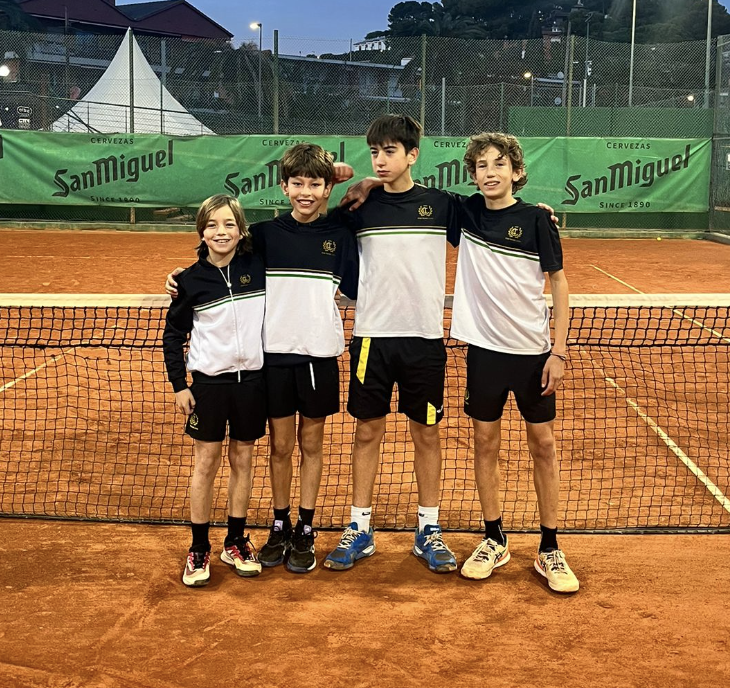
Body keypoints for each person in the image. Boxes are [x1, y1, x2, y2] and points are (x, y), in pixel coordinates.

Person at [167, 145, 358, 575]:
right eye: (297, 183)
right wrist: (181, 276)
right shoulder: (264, 236)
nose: (305, 192)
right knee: (280, 447)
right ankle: (279, 523)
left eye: (315, 184)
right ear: (283, 186)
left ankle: (305, 528)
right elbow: (219, 253)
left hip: (319, 358)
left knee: (312, 445)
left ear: (327, 188)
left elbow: (357, 281)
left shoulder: (341, 234)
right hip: (271, 360)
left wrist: (348, 177)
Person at [323, 114, 462, 574]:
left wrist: (537, 213)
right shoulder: (359, 207)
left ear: (412, 154)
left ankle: (429, 529)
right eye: (374, 152)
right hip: (371, 339)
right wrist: (339, 179)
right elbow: (308, 224)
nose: (380, 160)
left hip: (425, 341)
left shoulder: (442, 205)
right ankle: (360, 528)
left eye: (389, 151)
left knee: (426, 434)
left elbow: (494, 214)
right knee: (367, 432)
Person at [451, 132, 579, 593]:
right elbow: (406, 195)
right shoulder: (463, 214)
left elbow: (559, 283)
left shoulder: (537, 220)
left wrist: (558, 352)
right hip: (483, 353)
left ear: (517, 172)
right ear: (473, 174)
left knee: (543, 445)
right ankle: (494, 538)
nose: (490, 172)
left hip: (533, 355)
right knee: (485, 443)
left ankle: (549, 547)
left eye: (499, 164)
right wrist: (365, 182)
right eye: (481, 165)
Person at [163, 194, 266, 587]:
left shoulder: (258, 266)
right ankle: (199, 548)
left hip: (252, 382)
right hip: (208, 385)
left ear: (241, 230)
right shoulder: (189, 281)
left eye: (228, 224)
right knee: (206, 463)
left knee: (243, 459)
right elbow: (173, 336)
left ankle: (236, 541)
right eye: (211, 225)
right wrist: (179, 385)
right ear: (201, 232)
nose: (220, 232)